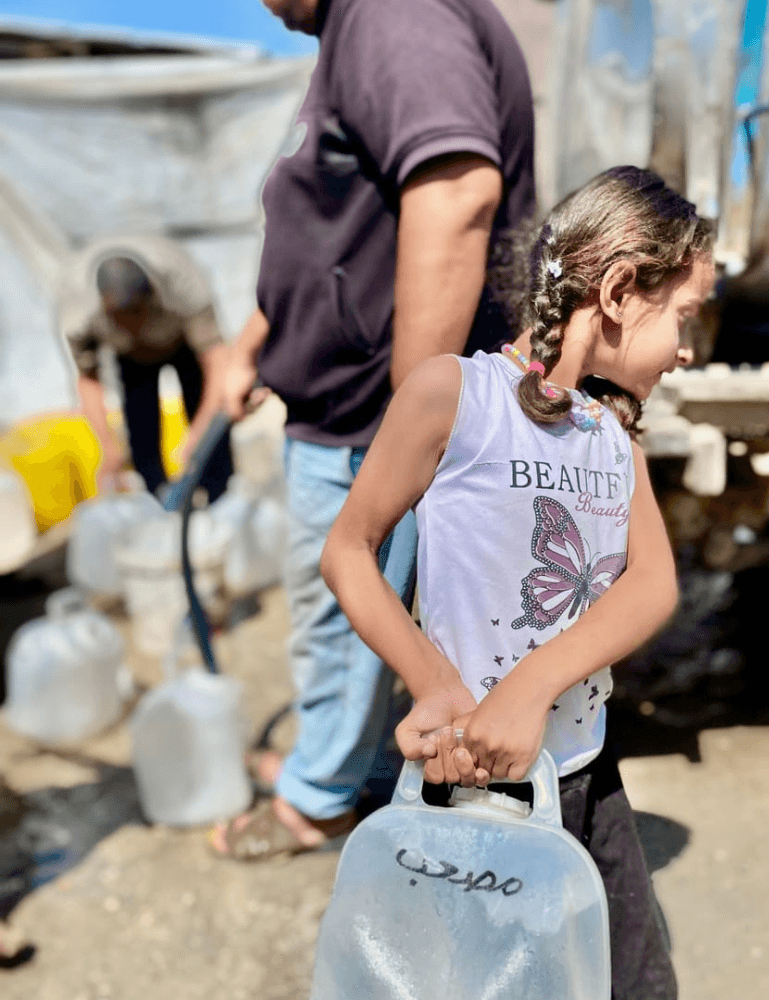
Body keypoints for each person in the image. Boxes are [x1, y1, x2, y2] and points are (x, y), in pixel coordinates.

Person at [321, 165, 714, 999]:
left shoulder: (613, 435)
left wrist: (532, 685)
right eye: (682, 316)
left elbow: (652, 585)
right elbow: (349, 550)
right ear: (617, 290)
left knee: (633, 984)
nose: (686, 349)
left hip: (585, 777)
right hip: (467, 792)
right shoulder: (453, 396)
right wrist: (430, 684)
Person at [216, 0, 536, 857]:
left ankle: (318, 800)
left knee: (345, 613)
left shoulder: (392, 14)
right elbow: (339, 233)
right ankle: (344, 772)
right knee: (355, 614)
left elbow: (458, 191)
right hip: (346, 408)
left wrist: (411, 422)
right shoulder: (356, 31)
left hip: (370, 416)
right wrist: (257, 341)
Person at [60, 235, 233, 502]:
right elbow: (88, 378)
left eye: (136, 315)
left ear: (152, 296)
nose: (132, 328)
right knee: (141, 435)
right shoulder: (77, 313)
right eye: (120, 320)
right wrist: (109, 446)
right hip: (131, 363)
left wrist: (202, 429)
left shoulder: (182, 282)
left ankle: (219, 501)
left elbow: (216, 358)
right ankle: (158, 504)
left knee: (212, 440)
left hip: (184, 345)